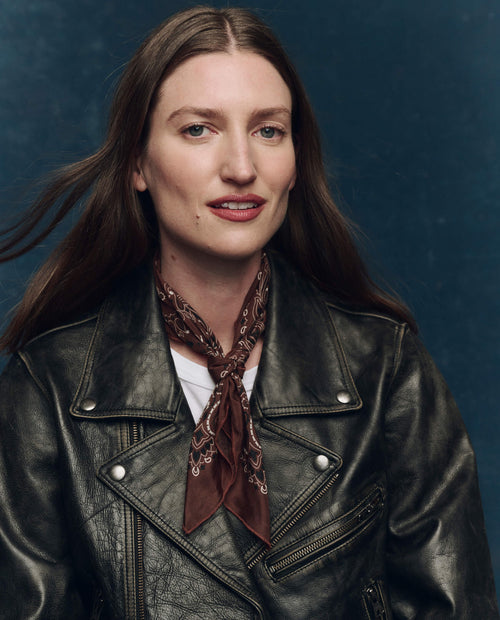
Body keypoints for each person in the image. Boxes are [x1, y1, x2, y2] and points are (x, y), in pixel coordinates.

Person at [0, 6, 497, 618]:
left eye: (268, 130)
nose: (241, 168)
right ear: (137, 163)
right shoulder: (48, 387)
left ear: (295, 160)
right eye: (198, 129)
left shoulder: (386, 370)